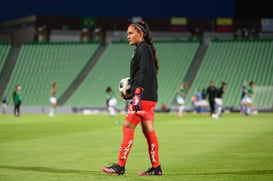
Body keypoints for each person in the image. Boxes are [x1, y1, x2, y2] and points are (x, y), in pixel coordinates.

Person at [101, 21, 162, 176]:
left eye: (130, 33)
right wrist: (132, 91)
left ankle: (120, 166)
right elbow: (146, 74)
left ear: (140, 34)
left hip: (142, 98)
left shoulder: (142, 49)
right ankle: (156, 168)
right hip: (149, 98)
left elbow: (142, 73)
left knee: (127, 127)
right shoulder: (144, 49)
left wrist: (137, 94)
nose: (127, 36)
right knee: (149, 132)